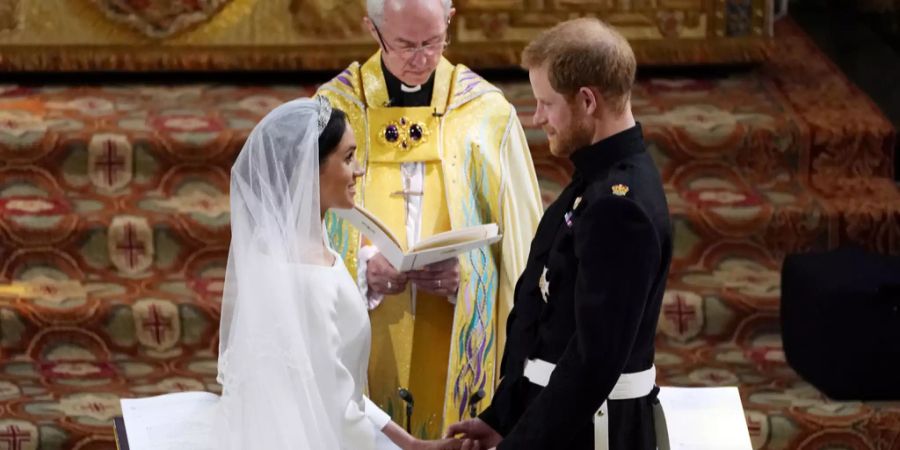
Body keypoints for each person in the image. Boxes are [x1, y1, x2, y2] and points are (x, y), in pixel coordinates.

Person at [315, 0, 543, 435]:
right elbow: (300, 227)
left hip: (454, 331)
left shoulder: (488, 115)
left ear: (450, 21)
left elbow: (524, 250)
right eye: (404, 45)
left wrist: (470, 279)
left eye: (433, 42)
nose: (421, 58)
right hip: (367, 331)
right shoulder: (333, 109)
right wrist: (359, 271)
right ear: (371, 29)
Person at [446, 18, 673, 450]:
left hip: (592, 432)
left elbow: (593, 362)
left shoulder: (618, 207)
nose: (538, 118)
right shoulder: (596, 180)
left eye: (547, 103)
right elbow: (548, 325)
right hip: (562, 422)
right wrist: (504, 417)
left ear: (587, 100)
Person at [215, 97, 464, 450]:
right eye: (348, 158)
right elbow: (334, 408)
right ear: (308, 170)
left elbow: (341, 388)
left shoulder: (309, 247)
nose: (359, 170)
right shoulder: (306, 277)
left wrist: (410, 443)